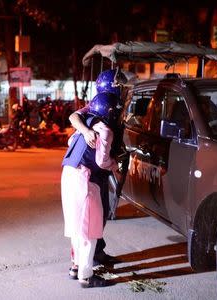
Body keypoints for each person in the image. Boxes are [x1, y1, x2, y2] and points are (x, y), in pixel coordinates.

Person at [68, 69, 126, 265]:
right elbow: (73, 117)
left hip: (100, 165)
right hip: (94, 168)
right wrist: (85, 131)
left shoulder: (115, 105)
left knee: (101, 212)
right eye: (120, 86)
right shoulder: (98, 105)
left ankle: (95, 252)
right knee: (89, 216)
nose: (123, 89)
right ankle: (86, 261)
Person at [61, 92, 120, 288]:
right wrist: (114, 164)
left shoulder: (84, 123)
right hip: (84, 179)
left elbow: (70, 143)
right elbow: (101, 162)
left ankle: (75, 267)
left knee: (77, 227)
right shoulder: (105, 130)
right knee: (89, 228)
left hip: (68, 174)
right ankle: (86, 276)